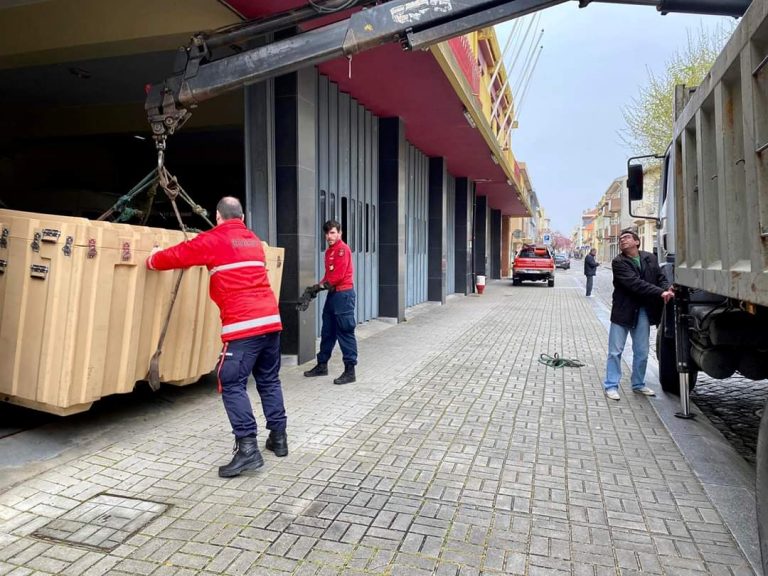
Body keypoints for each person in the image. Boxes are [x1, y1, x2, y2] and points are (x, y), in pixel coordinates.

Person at [146, 196, 288, 477]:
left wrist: (152, 259)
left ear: (218, 217)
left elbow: (178, 255)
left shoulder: (213, 239)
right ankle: (279, 438)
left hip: (244, 326)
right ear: (243, 218)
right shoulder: (253, 241)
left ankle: (248, 449)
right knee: (269, 379)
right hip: (271, 322)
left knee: (231, 382)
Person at [603, 229, 674, 401]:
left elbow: (660, 277)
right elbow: (635, 284)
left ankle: (638, 384)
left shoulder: (650, 258)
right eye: (621, 239)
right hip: (623, 311)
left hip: (643, 311)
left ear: (636, 242)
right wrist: (660, 293)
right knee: (615, 351)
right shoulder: (618, 262)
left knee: (642, 351)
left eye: (627, 237)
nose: (622, 240)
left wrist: (667, 288)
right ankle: (611, 385)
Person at [303, 219, 358, 385]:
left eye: (333, 232)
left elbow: (338, 277)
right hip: (333, 296)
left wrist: (318, 287)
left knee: (345, 332)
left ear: (340, 233)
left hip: (343, 295)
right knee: (327, 331)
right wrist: (314, 289)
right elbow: (328, 276)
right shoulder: (329, 252)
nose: (329, 236)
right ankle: (322, 365)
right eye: (327, 233)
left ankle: (350, 371)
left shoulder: (343, 250)